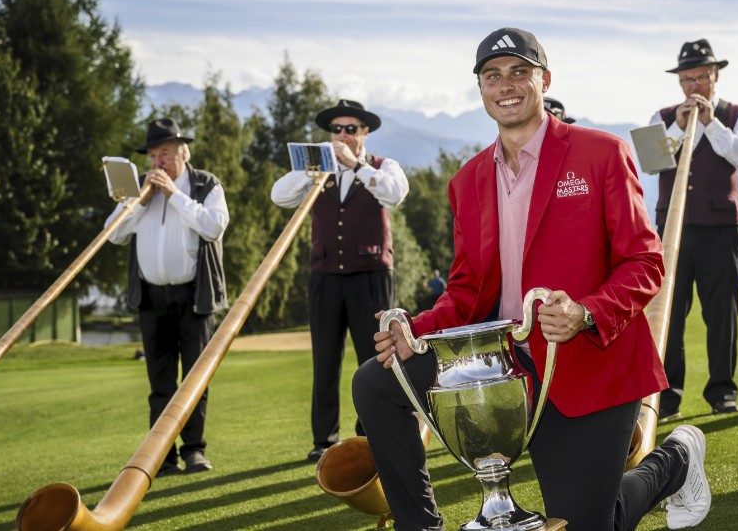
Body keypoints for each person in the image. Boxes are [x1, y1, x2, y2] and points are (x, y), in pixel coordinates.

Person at [353, 27, 711, 531]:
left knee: (590, 525)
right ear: (481, 90)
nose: (507, 85)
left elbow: (645, 262)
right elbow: (466, 290)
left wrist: (586, 313)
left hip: (588, 362)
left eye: (519, 71)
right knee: (375, 379)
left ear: (544, 79)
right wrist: (418, 330)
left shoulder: (601, 153)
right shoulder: (467, 181)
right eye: (492, 76)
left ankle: (675, 459)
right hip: (504, 366)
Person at [271, 99, 410, 461]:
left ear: (364, 133)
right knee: (325, 358)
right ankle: (324, 441)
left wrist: (358, 166)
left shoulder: (383, 166)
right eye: (336, 130)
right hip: (325, 275)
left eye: (350, 129)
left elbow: (394, 194)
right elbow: (279, 195)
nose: (342, 136)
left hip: (371, 275)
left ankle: (372, 434)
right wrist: (312, 169)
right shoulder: (319, 171)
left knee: (375, 357)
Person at [105, 118, 230, 476]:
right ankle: (162, 456)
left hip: (195, 296)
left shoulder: (206, 184)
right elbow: (113, 234)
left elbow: (213, 226)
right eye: (153, 156)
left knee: (194, 380)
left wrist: (174, 196)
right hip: (152, 297)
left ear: (183, 152)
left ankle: (194, 450)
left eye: (165, 154)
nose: (158, 162)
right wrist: (140, 200)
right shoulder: (139, 192)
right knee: (160, 382)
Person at [648, 39, 738, 420]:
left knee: (722, 314)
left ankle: (722, 392)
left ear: (716, 76)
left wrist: (711, 123)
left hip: (721, 228)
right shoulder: (661, 116)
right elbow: (649, 163)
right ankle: (667, 398)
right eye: (687, 79)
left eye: (701, 78)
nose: (694, 87)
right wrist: (679, 129)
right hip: (671, 231)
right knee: (668, 314)